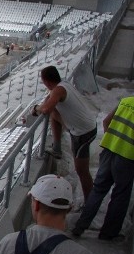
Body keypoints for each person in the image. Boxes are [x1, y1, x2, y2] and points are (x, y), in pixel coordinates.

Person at [71, 81, 134, 241]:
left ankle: (80, 226)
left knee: (98, 190)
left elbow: (106, 122)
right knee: (120, 196)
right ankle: (108, 233)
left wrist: (114, 139)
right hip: (127, 158)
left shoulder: (127, 101)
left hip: (109, 151)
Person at [34, 66, 98, 201]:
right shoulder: (63, 84)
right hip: (86, 127)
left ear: (46, 81)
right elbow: (49, 102)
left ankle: (89, 203)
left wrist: (36, 108)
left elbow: (45, 108)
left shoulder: (58, 90)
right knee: (54, 112)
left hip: (83, 133)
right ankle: (57, 148)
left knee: (82, 171)